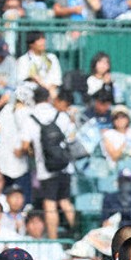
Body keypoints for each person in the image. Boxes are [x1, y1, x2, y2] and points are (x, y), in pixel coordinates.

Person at [20, 87, 76, 239]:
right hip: (65, 166)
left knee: (50, 204)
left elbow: (24, 146)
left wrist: (32, 151)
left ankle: (53, 239)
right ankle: (78, 234)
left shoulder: (30, 117)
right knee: (65, 201)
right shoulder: (60, 115)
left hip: (46, 168)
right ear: (49, 99)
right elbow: (72, 137)